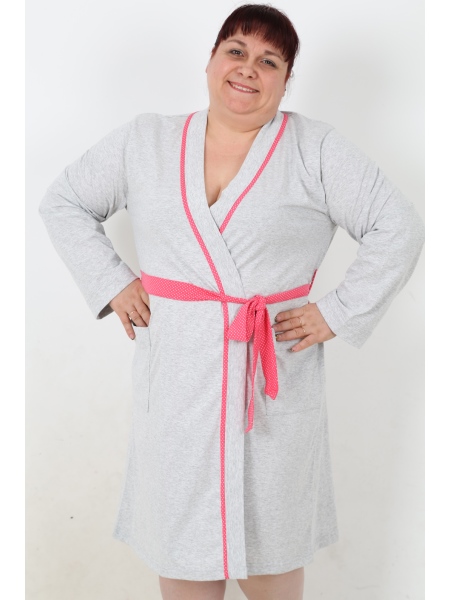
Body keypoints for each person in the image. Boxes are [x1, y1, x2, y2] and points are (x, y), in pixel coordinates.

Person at [38, 4, 424, 600]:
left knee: (269, 557)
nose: (248, 68)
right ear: (211, 60)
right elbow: (64, 201)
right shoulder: (147, 140)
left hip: (269, 387)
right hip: (177, 385)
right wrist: (112, 280)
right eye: (236, 51)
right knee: (183, 553)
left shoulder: (315, 149)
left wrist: (338, 311)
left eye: (270, 61)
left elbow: (398, 226)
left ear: (286, 81)